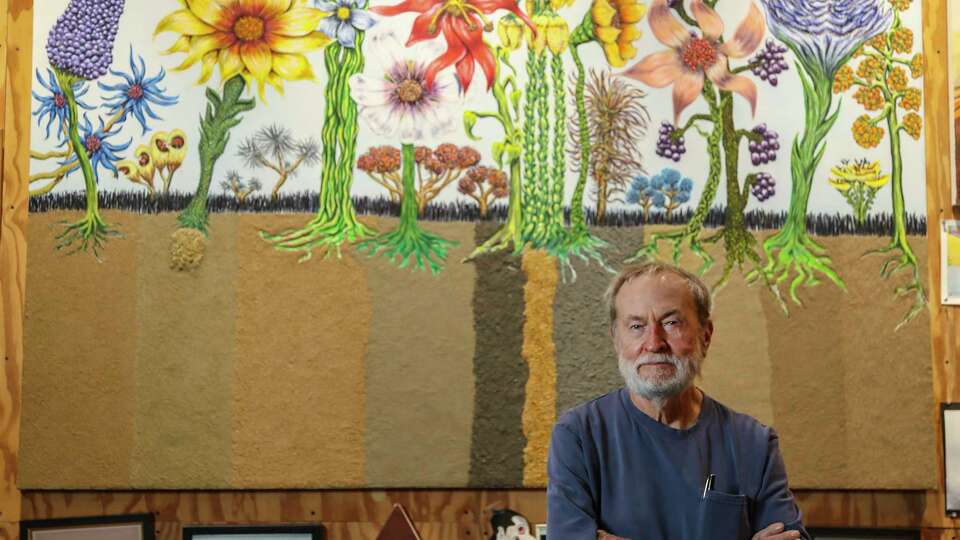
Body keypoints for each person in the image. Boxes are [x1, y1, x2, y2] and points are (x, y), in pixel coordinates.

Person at [546, 262, 809, 540]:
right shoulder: (578, 436)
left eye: (671, 323)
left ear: (705, 336)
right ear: (616, 340)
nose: (654, 342)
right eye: (636, 326)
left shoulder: (754, 443)